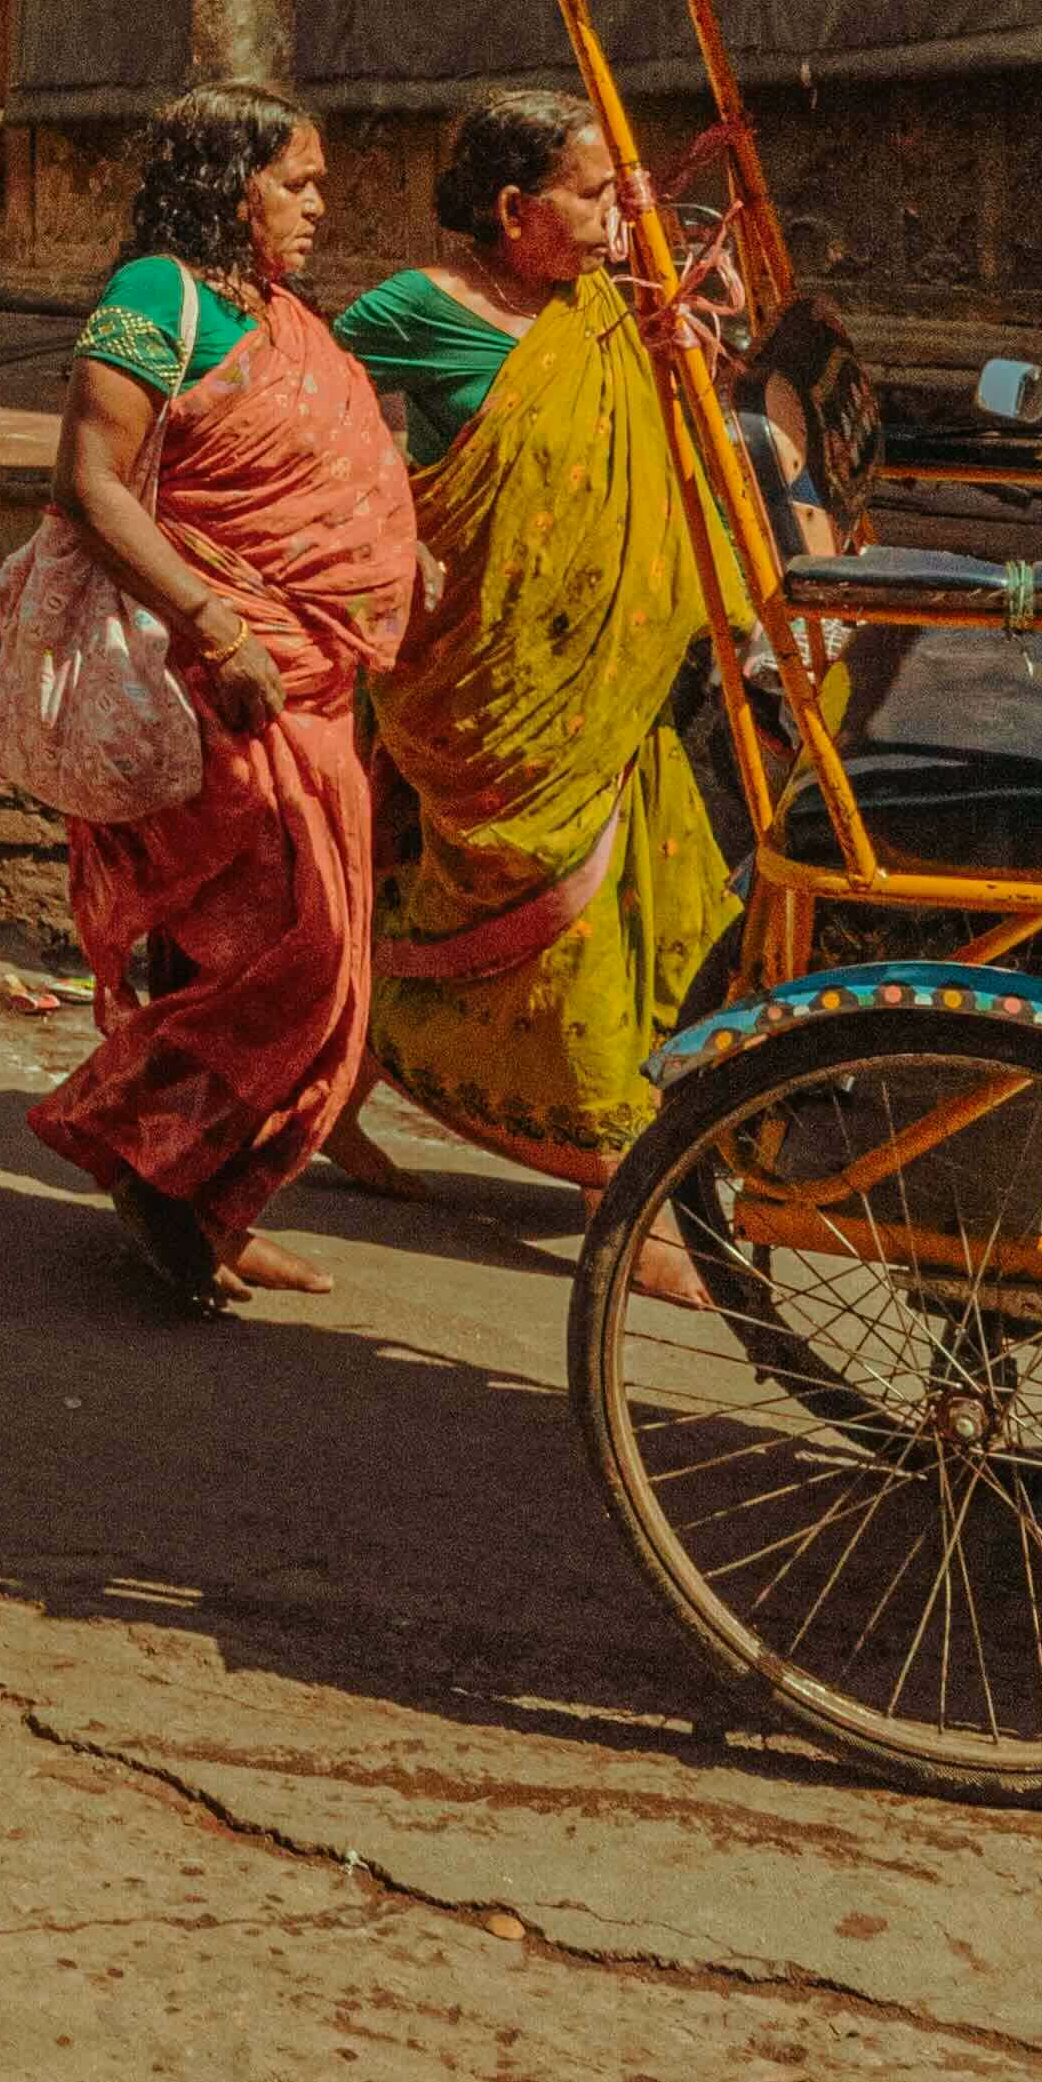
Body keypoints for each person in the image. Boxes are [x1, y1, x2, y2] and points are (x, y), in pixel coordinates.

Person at [25, 88, 420, 1313]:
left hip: (310, 685)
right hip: (223, 685)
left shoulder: (283, 317)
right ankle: (149, 1168)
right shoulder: (155, 299)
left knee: (329, 962)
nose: (318, 207)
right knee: (279, 959)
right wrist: (217, 620)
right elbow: (91, 482)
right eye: (295, 183)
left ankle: (214, 1199)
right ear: (227, 182)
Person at [336, 86, 739, 1279]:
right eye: (597, 193)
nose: (624, 215)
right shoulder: (415, 310)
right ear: (516, 209)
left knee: (624, 906)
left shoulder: (612, 313)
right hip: (481, 695)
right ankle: (622, 1187)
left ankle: (331, 1095)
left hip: (615, 688)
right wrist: (383, 523)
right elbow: (296, 407)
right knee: (549, 913)